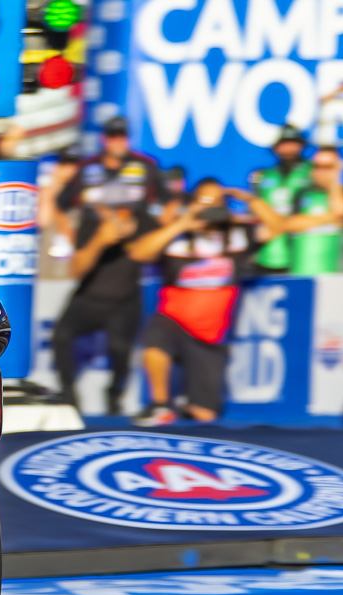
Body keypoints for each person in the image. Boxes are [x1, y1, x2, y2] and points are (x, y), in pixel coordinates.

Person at [125, 180, 283, 425]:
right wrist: (182, 223)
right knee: (155, 339)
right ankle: (160, 404)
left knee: (205, 415)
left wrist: (250, 199)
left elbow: (277, 227)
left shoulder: (237, 237)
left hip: (210, 336)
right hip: (174, 320)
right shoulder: (178, 238)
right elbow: (138, 253)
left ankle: (189, 403)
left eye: (216, 202)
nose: (211, 209)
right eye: (205, 202)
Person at [52, 203, 151, 415]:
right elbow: (76, 270)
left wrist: (130, 236)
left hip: (125, 302)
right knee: (61, 337)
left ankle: (115, 395)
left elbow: (148, 254)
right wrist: (100, 240)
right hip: (87, 298)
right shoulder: (89, 225)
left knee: (120, 348)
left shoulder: (145, 221)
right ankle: (68, 394)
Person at [57, 117, 170, 217]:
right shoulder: (86, 167)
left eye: (122, 136)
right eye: (113, 136)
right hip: (94, 234)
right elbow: (61, 204)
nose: (118, 142)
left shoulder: (146, 165)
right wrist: (69, 234)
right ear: (104, 139)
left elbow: (169, 200)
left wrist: (158, 228)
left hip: (137, 233)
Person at [250, 123, 312, 273]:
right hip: (267, 252)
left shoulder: (313, 172)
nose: (288, 149)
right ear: (276, 148)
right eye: (284, 144)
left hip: (304, 251)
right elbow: (255, 211)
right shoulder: (263, 176)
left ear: (301, 146)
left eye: (293, 144)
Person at [285, 147, 343, 275]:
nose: (321, 171)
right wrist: (330, 218)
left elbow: (340, 213)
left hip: (336, 277)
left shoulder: (340, 193)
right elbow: (289, 225)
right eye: (317, 166)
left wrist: (334, 182)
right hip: (301, 274)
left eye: (328, 166)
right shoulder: (302, 193)